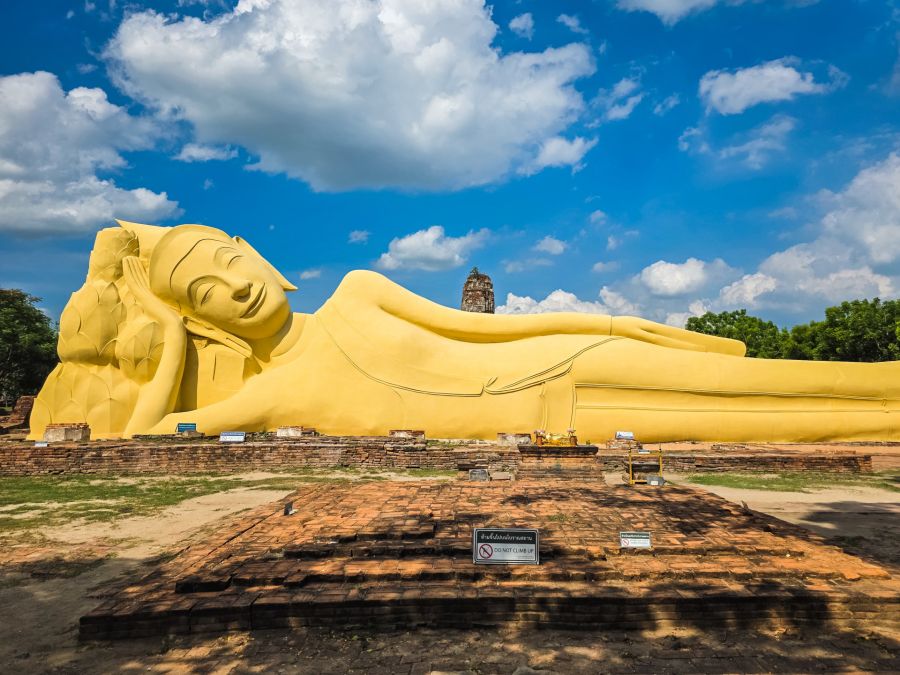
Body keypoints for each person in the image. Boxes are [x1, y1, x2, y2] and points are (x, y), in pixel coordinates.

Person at [30, 221, 900, 442]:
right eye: (206, 294)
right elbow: (151, 432)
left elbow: (502, 327)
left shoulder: (362, 291)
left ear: (259, 253)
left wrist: (620, 320)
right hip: (562, 421)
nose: (237, 288)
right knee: (832, 416)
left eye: (230, 259)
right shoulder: (272, 392)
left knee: (803, 377)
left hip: (561, 355)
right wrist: (171, 339)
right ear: (201, 318)